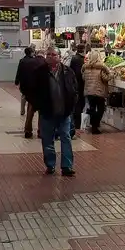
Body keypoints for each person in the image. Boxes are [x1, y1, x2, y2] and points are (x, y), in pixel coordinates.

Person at [29, 46, 78, 176]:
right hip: (47, 112)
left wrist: (72, 105)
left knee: (66, 138)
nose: (50, 57)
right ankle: (50, 165)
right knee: (47, 139)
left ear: (59, 57)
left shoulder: (68, 71)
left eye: (54, 55)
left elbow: (74, 90)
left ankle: (67, 166)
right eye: (48, 54)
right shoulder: (39, 72)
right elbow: (31, 90)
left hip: (64, 113)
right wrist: (38, 105)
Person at [16, 47, 45, 139]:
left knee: (30, 111)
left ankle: (28, 130)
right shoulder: (44, 63)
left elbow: (20, 72)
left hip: (30, 90)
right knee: (42, 112)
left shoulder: (26, 61)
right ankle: (40, 131)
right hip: (41, 91)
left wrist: (18, 82)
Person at [82, 50, 111, 135]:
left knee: (92, 108)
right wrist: (112, 75)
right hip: (98, 91)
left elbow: (84, 78)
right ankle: (95, 125)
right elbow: (106, 78)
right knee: (101, 109)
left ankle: (93, 124)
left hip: (89, 91)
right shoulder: (101, 67)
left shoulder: (85, 67)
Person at [69, 44, 86, 138]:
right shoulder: (80, 60)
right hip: (80, 85)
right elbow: (81, 74)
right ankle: (77, 126)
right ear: (83, 50)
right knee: (79, 105)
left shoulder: (74, 58)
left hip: (75, 85)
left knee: (76, 105)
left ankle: (75, 126)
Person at [14, 46, 34, 117]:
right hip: (32, 81)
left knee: (23, 96)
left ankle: (22, 111)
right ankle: (30, 111)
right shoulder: (34, 61)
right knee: (31, 96)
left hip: (23, 81)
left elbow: (19, 71)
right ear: (31, 53)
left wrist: (17, 81)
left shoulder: (22, 60)